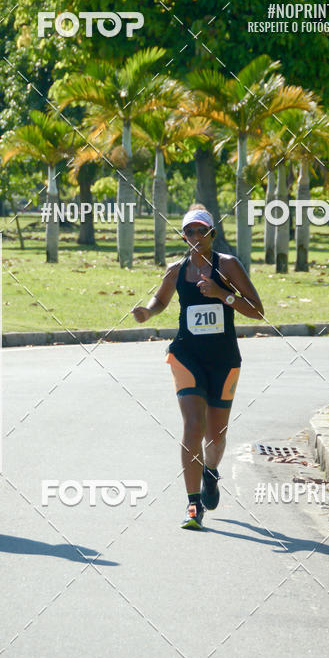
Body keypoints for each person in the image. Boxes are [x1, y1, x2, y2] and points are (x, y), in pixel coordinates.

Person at [132, 205, 264, 529]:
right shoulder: (177, 270)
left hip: (224, 359)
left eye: (201, 231)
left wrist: (223, 294)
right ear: (184, 236)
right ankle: (193, 506)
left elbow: (257, 311)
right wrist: (147, 313)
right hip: (186, 355)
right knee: (193, 426)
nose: (195, 237)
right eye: (189, 231)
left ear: (211, 234)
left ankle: (211, 471)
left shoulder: (228, 265)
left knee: (216, 435)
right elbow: (160, 300)